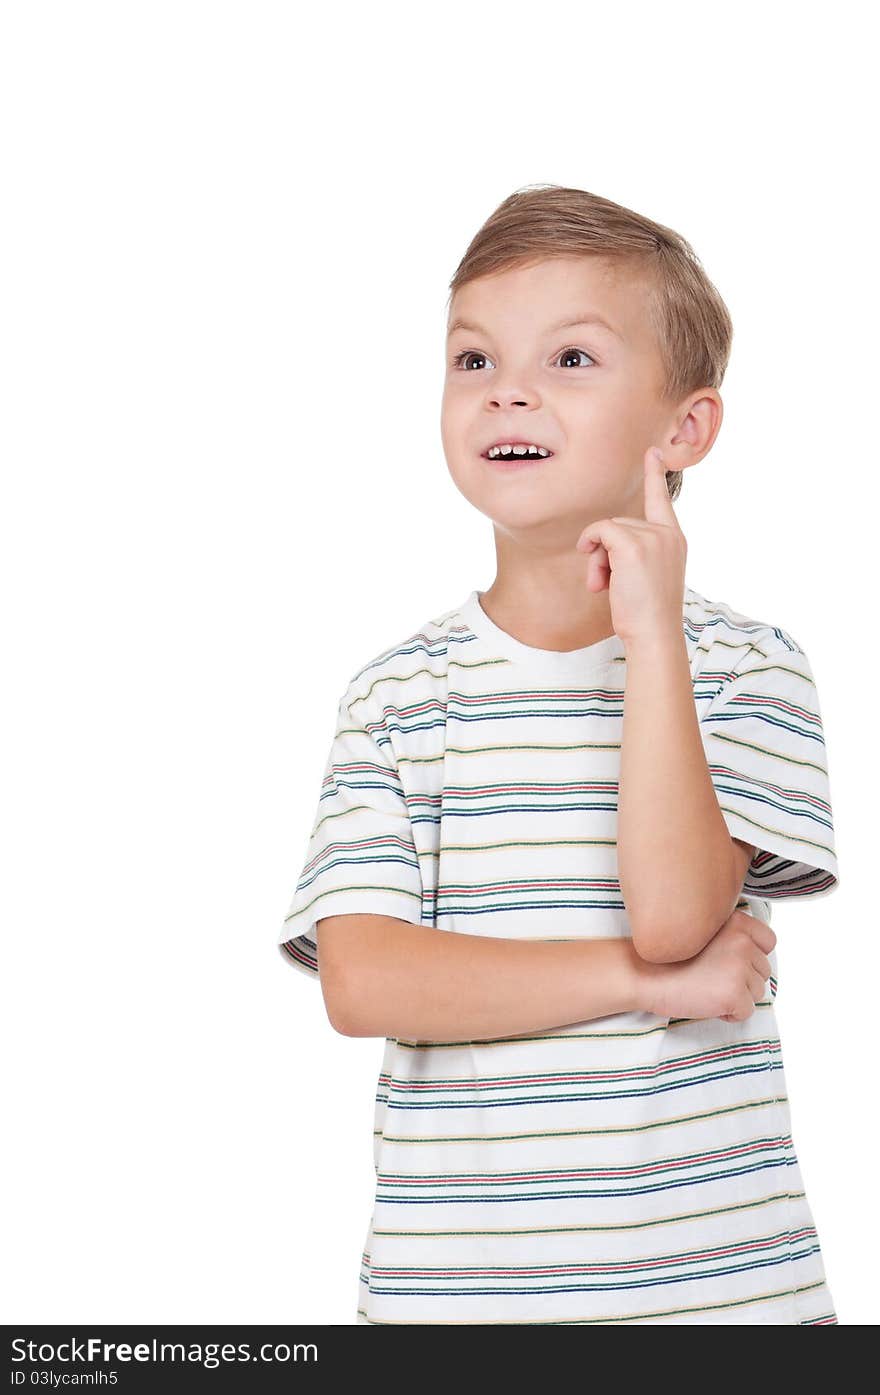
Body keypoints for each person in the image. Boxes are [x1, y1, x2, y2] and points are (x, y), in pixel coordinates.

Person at [275, 184, 841, 1325]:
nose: (510, 390)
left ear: (682, 429)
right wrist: (643, 985)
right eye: (473, 360)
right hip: (460, 1311)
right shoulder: (396, 697)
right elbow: (366, 981)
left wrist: (652, 642)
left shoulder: (743, 667)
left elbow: (679, 913)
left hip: (726, 1302)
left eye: (571, 358)